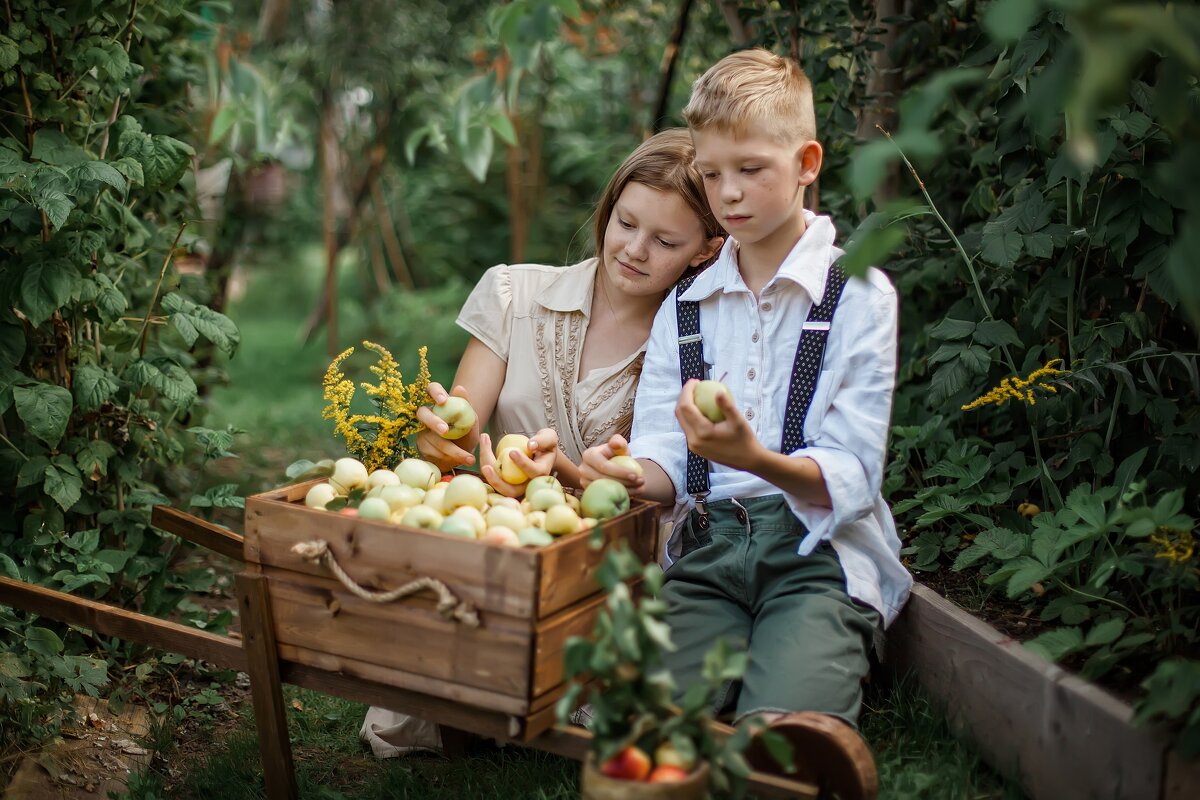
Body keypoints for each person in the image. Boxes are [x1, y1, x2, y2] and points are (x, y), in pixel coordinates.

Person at [580, 49, 912, 797]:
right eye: (710, 172)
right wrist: (630, 470)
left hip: (816, 557)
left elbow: (853, 477)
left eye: (751, 169)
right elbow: (667, 453)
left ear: (807, 163)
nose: (726, 193)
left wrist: (754, 457)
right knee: (637, 730)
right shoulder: (688, 306)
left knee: (784, 750)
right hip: (706, 555)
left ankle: (793, 681)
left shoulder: (857, 295)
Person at [359, 128, 725, 758]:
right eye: (624, 222)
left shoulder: (696, 341)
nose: (634, 250)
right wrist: (450, 428)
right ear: (608, 211)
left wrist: (575, 475)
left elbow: (664, 480)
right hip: (505, 530)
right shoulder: (515, 293)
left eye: (665, 240)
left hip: (619, 557)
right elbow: (466, 419)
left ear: (704, 251)